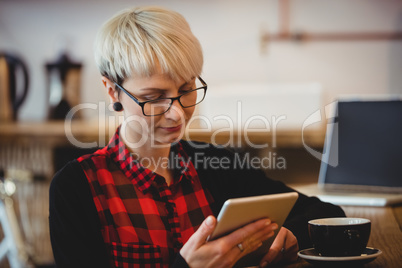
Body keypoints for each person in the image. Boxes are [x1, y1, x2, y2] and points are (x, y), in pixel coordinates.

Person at [49, 6, 345, 268]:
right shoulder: (76, 188)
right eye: (153, 97)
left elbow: (327, 214)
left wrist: (289, 233)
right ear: (113, 90)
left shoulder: (215, 163)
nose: (177, 113)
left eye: (186, 90)